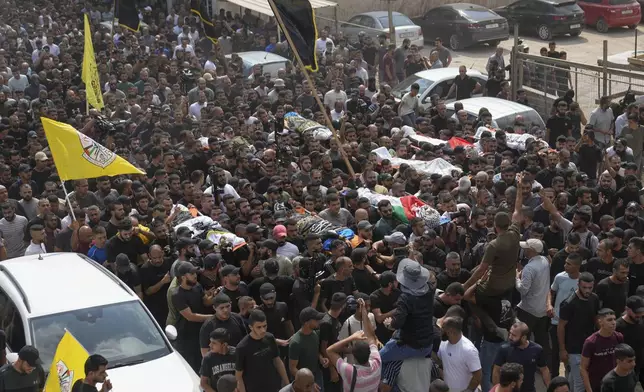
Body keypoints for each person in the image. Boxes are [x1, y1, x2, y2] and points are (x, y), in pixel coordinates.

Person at [326, 298, 381, 392]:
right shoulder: (377, 363)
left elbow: (329, 350)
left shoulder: (349, 372)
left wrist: (352, 337)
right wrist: (364, 311)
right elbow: (371, 338)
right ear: (370, 353)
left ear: (354, 357)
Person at [558, 272, 600, 392]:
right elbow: (561, 327)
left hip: (589, 345)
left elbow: (595, 318)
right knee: (580, 383)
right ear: (578, 285)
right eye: (584, 287)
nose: (587, 290)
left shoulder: (594, 298)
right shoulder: (568, 303)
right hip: (574, 348)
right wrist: (562, 349)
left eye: (590, 288)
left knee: (574, 379)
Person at [235, 309, 289, 392]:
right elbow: (238, 376)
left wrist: (287, 383)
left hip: (273, 386)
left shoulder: (270, 338)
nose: (263, 330)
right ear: (250, 327)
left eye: (265, 326)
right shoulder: (242, 347)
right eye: (259, 327)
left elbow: (277, 361)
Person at [493, 322, 551, 392]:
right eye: (510, 333)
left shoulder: (537, 349)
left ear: (523, 337)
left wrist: (549, 388)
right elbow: (496, 371)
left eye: (514, 335)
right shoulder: (504, 349)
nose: (510, 337)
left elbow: (544, 369)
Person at [581, 308, 624, 392]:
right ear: (600, 322)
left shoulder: (619, 337)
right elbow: (583, 368)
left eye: (614, 319)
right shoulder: (591, 342)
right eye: (609, 320)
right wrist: (589, 390)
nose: (613, 323)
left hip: (614, 384)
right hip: (597, 386)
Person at [437, 316, 482, 392]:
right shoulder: (443, 343)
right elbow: (440, 359)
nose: (440, 331)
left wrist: (469, 390)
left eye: (443, 328)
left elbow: (478, 374)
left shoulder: (469, 350)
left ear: (450, 331)